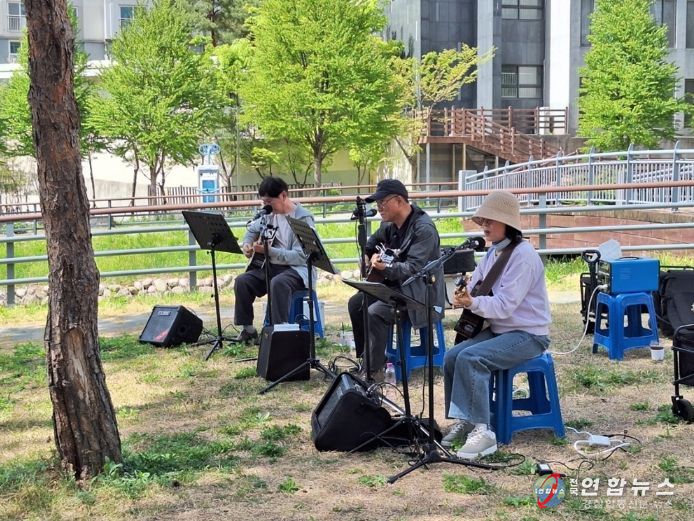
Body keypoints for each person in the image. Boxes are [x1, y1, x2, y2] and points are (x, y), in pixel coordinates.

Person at [442, 190, 551, 459]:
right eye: (483, 220)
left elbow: (504, 306)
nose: (485, 225)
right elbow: (477, 286)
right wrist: (464, 293)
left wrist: (471, 302)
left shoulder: (523, 256)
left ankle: (484, 432)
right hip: (502, 329)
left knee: (472, 358)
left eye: (491, 220)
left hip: (529, 334)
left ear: (508, 223)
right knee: (452, 357)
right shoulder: (494, 253)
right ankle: (466, 419)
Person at [347, 179, 445, 381]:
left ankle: (373, 373)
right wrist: (368, 256)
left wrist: (386, 268)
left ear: (399, 201)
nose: (379, 208)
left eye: (382, 203)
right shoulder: (389, 225)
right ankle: (368, 360)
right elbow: (372, 242)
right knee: (356, 303)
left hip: (419, 294)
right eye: (377, 203)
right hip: (396, 286)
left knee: (375, 312)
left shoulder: (424, 229)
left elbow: (413, 269)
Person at [234, 176, 315, 344]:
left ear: (283, 196)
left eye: (269, 202)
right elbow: (252, 230)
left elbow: (301, 256)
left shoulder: (303, 217)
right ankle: (248, 329)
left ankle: (279, 331)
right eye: (263, 202)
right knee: (242, 281)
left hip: (296, 269)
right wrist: (247, 244)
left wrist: (269, 251)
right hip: (270, 267)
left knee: (278, 283)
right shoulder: (268, 215)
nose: (266, 206)